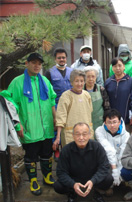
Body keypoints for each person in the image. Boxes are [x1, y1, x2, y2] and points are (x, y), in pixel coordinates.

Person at [7, 53, 57, 195]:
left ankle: (47, 176)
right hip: (29, 127)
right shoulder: (17, 82)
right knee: (31, 156)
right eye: (33, 62)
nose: (37, 66)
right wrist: (17, 124)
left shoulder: (45, 82)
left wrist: (55, 118)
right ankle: (33, 180)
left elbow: (52, 100)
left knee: (47, 154)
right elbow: (11, 105)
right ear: (26, 63)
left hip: (46, 127)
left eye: (39, 63)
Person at [54, 122, 113, 202]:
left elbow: (104, 166)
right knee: (58, 186)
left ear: (89, 135)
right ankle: (72, 193)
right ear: (73, 136)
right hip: (74, 179)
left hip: (92, 178)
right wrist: (73, 184)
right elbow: (61, 172)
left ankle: (96, 191)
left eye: (84, 134)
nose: (81, 138)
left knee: (108, 179)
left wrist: (93, 181)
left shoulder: (97, 147)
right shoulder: (66, 150)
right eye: (77, 134)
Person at [45, 48, 73, 160]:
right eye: (59, 58)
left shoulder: (72, 71)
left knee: (68, 127)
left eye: (63, 57)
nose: (61, 59)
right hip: (56, 104)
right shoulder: (49, 72)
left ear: (66, 58)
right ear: (55, 59)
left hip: (70, 104)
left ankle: (67, 149)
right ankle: (56, 150)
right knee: (56, 126)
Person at [55, 69, 94, 147]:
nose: (79, 84)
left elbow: (90, 112)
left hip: (86, 133)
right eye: (76, 81)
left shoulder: (87, 95)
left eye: (81, 81)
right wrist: (58, 136)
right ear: (71, 82)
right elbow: (60, 117)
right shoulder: (66, 96)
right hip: (70, 134)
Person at [95, 109, 130, 188]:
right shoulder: (99, 131)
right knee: (107, 178)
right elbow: (109, 150)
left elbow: (123, 154)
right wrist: (114, 171)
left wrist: (119, 172)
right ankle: (107, 186)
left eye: (114, 122)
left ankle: (123, 181)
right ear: (105, 122)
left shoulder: (126, 135)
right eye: (109, 122)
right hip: (106, 160)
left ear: (119, 122)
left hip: (120, 161)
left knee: (127, 171)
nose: (112, 125)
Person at [105, 58, 132, 130]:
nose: (117, 68)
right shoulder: (108, 82)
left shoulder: (130, 81)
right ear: (112, 68)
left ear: (124, 66)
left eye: (120, 65)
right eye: (114, 66)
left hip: (126, 118)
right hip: (111, 120)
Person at [84, 66, 110, 131]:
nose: (90, 79)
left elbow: (107, 107)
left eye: (93, 76)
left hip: (99, 121)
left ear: (96, 77)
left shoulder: (101, 89)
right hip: (84, 121)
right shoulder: (81, 90)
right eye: (88, 76)